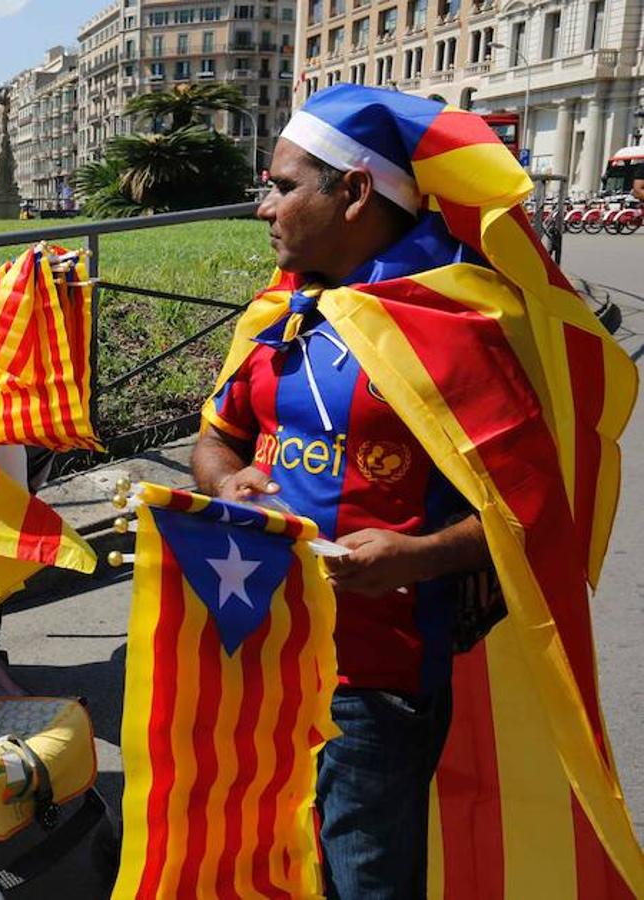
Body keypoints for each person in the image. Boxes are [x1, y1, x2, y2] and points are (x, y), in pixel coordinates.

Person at [191, 87, 495, 896]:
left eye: (285, 186)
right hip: (261, 653)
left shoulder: (456, 320)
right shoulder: (279, 312)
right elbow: (216, 437)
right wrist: (233, 482)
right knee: (269, 858)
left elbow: (524, 510)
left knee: (366, 879)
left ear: (355, 192)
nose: (265, 208)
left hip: (378, 679)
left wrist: (422, 554)